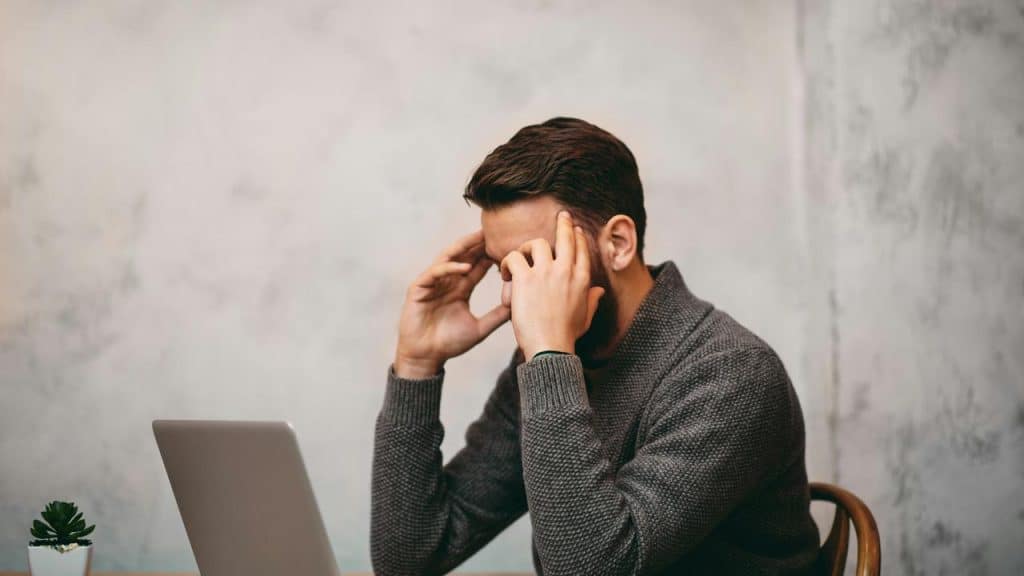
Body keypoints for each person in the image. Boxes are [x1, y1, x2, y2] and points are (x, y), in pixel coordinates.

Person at [370, 117, 820, 575]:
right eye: (504, 270)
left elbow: (591, 569)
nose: (512, 297)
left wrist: (549, 358)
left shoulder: (731, 375)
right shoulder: (556, 362)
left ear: (619, 243)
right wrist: (416, 364)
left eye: (535, 262)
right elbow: (409, 557)